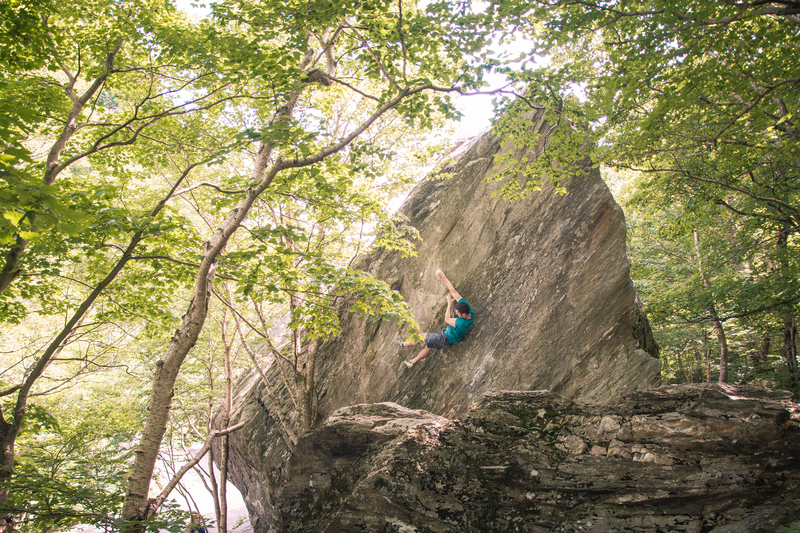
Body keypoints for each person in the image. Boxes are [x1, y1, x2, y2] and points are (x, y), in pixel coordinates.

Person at [399, 268, 474, 367]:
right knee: (428, 345)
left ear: (463, 315)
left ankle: (404, 344)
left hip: (446, 338)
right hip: (449, 337)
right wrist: (443, 276)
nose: (457, 314)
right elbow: (453, 291)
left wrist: (449, 304)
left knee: (421, 335)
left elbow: (447, 319)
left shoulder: (462, 323)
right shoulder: (468, 309)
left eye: (458, 314)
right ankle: (412, 362)